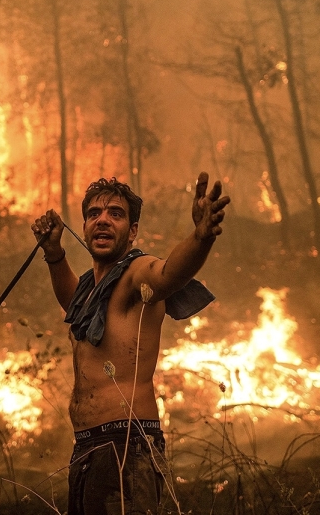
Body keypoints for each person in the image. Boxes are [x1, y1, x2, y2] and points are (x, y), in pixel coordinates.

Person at [31, 172, 230, 515]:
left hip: (127, 446)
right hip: (88, 449)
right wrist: (54, 254)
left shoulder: (135, 274)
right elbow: (72, 305)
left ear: (133, 230)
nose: (103, 220)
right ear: (85, 225)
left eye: (115, 214)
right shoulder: (89, 292)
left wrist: (200, 238)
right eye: (94, 214)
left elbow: (167, 274)